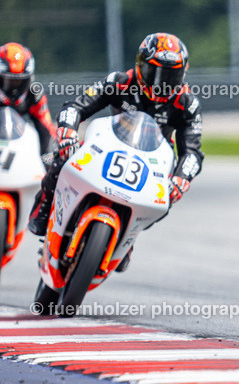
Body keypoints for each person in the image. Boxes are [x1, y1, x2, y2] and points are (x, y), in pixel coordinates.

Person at [28, 32, 203, 240]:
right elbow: (76, 106)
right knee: (59, 157)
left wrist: (181, 178)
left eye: (169, 76)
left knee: (165, 200)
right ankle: (44, 206)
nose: (160, 83)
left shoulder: (187, 104)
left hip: (154, 163)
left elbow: (192, 151)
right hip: (108, 145)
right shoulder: (119, 81)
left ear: (182, 74)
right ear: (140, 66)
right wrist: (68, 132)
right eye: (153, 72)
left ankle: (129, 237)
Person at [0, 42, 57, 152]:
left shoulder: (34, 94)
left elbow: (47, 129)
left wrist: (48, 157)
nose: (14, 88)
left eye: (19, 82)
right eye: (9, 81)